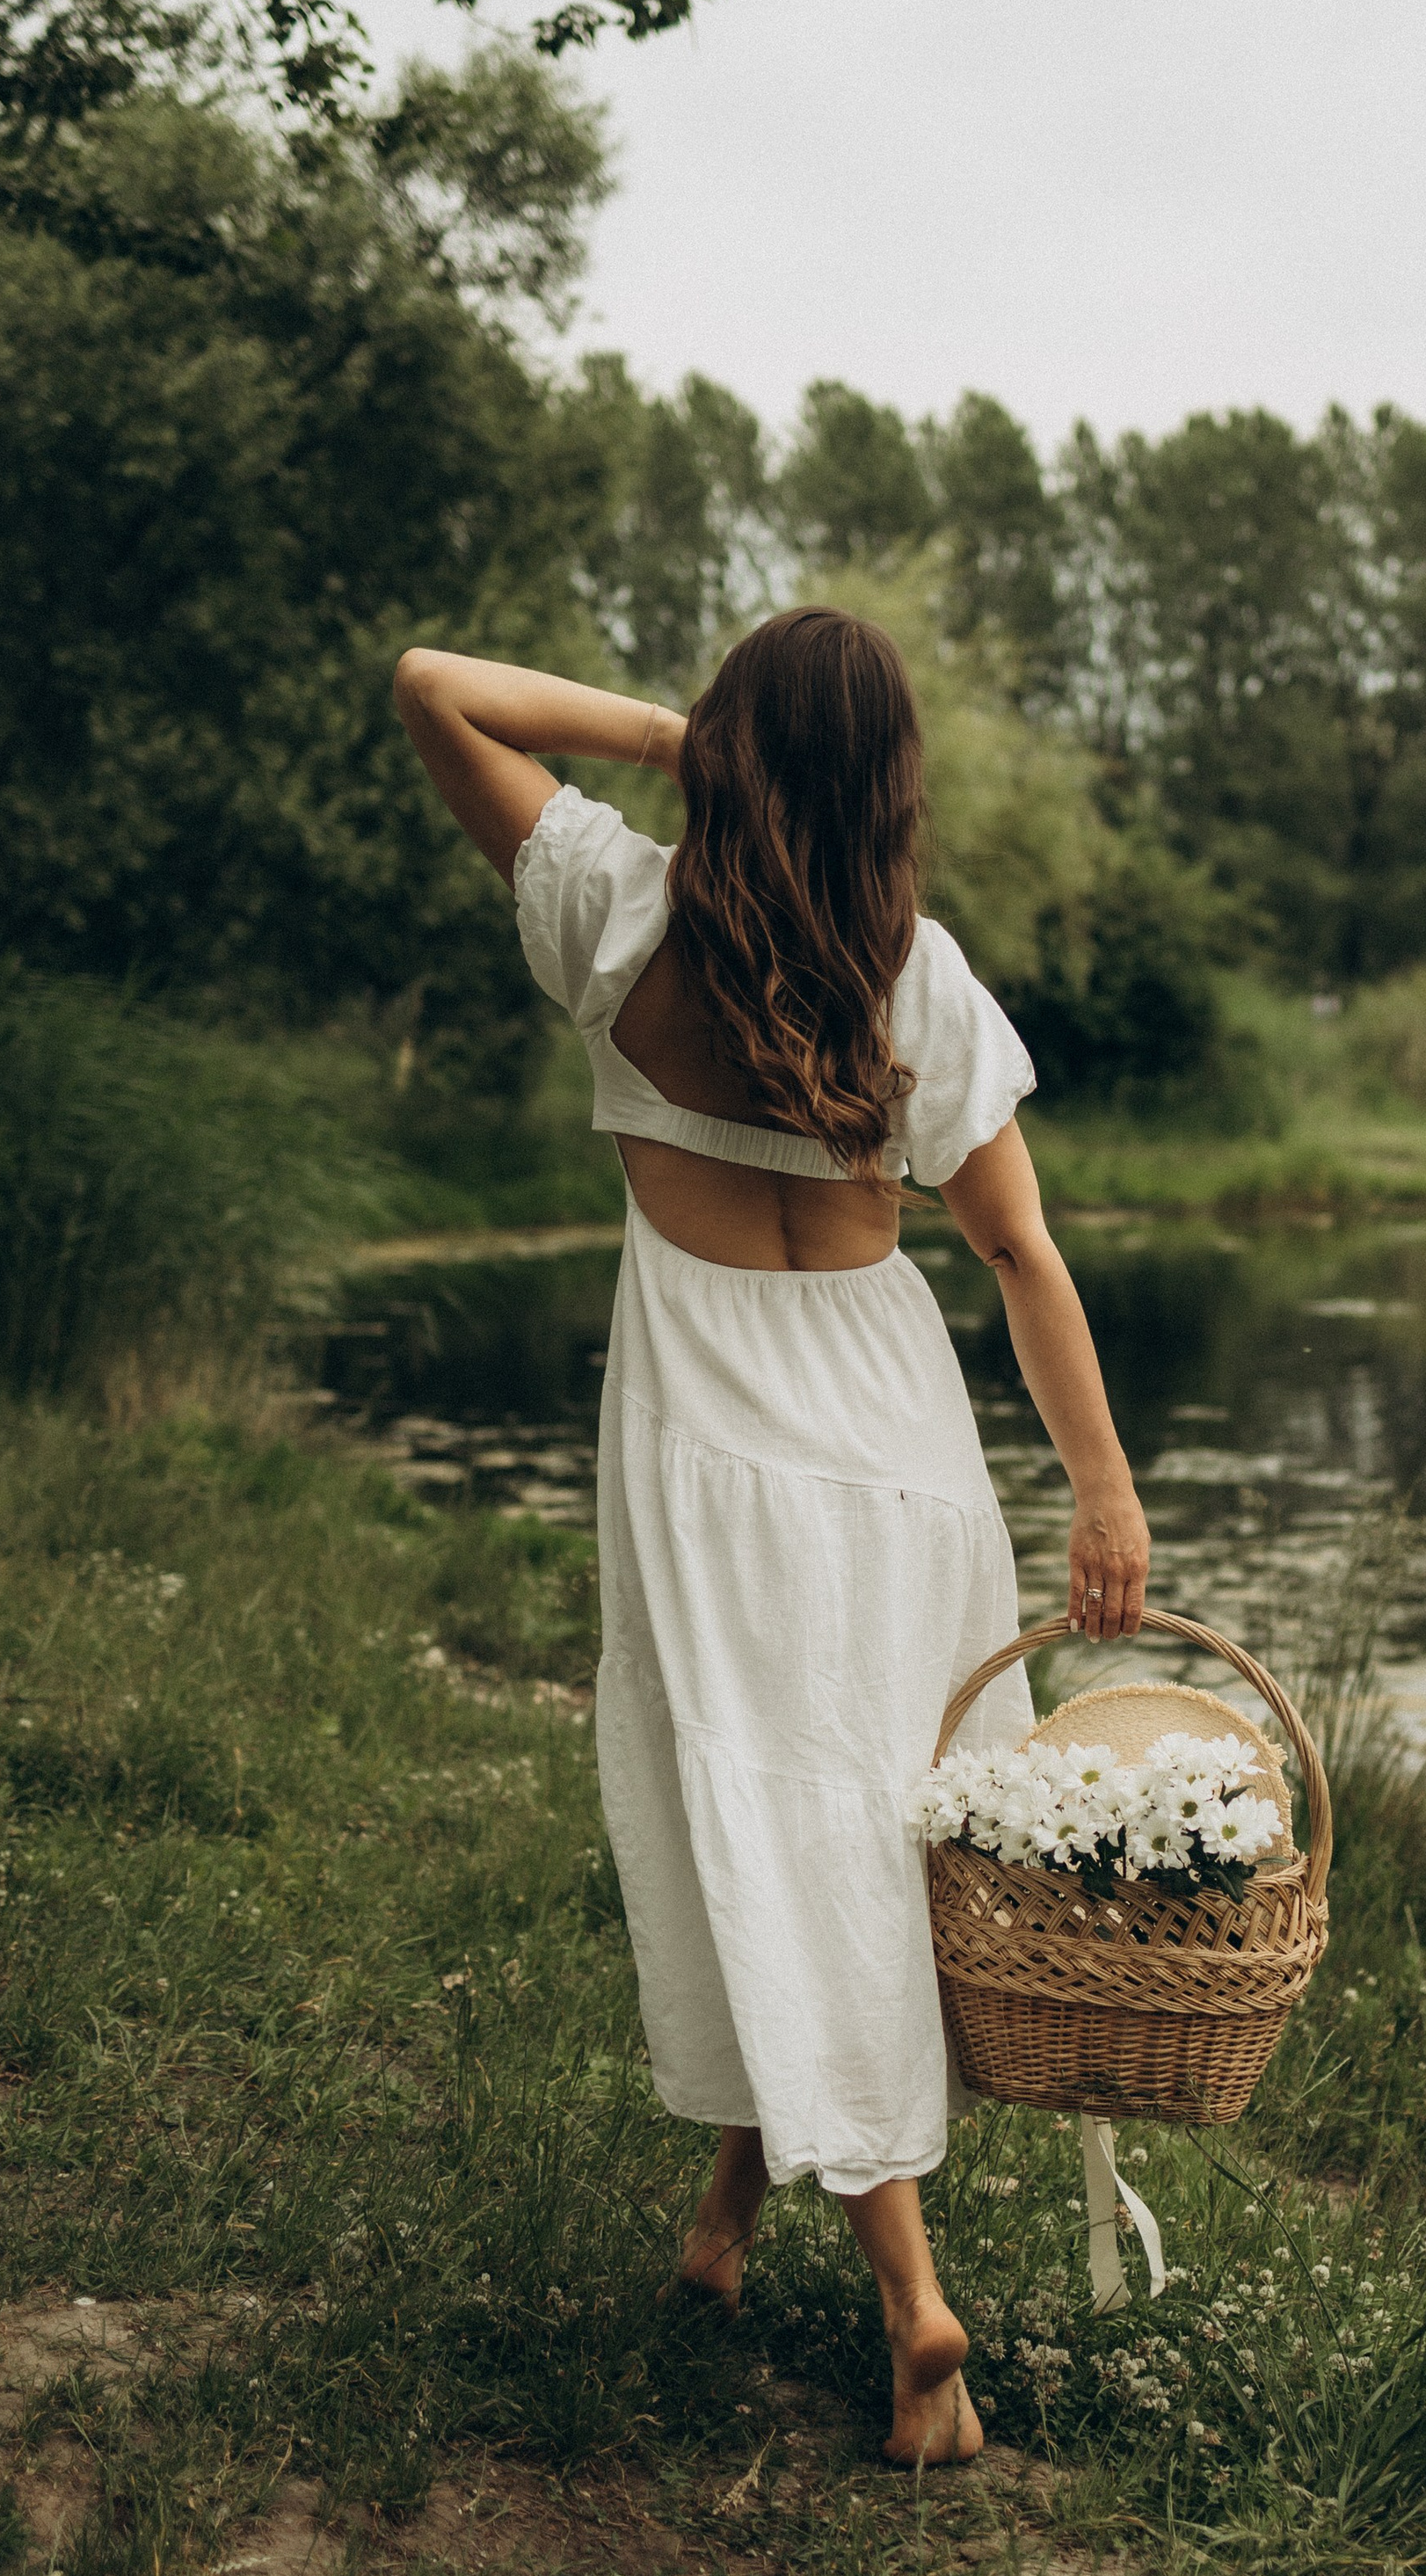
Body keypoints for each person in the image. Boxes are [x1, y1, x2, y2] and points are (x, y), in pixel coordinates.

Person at [394, 610, 1151, 2466]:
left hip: (710, 1452)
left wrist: (681, 741)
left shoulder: (615, 911)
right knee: (856, 1822)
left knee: (777, 1819)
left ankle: (912, 2308)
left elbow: (429, 684)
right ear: (892, 789)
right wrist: (1105, 1488)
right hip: (896, 1451)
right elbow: (1018, 1257)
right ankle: (728, 2228)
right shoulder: (920, 978)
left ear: (728, 750)